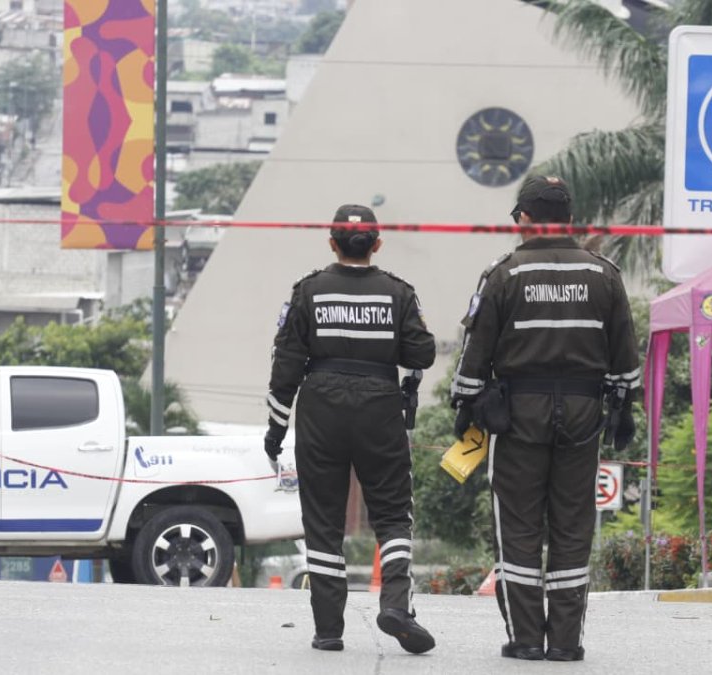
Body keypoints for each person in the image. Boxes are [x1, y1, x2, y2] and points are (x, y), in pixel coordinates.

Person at [450, 175, 640, 662]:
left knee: (518, 527)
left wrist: (465, 406)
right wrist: (623, 408)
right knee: (573, 527)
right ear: (570, 220)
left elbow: (475, 353)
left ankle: (527, 638)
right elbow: (625, 354)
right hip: (583, 416)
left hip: (517, 416)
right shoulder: (604, 275)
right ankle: (566, 642)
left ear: (525, 219)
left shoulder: (504, 274)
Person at [264, 204, 437, 655]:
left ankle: (328, 630)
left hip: (320, 407)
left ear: (331, 243)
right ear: (376, 244)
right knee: (393, 514)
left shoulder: (308, 290)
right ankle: (395, 603)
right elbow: (422, 353)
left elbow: (286, 364)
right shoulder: (398, 292)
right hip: (380, 406)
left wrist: (276, 429)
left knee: (323, 521)